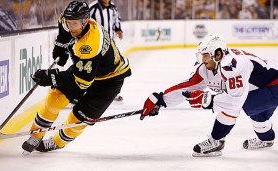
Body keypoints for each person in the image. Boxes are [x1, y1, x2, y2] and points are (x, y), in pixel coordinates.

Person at [22, 0, 131, 155]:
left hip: (110, 79)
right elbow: (63, 31)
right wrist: (60, 47)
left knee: (79, 117)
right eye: (69, 23)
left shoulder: (90, 44)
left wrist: (52, 76)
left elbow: (83, 81)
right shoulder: (68, 20)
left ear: (85, 21)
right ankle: (36, 135)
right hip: (87, 66)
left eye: (74, 24)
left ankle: (56, 142)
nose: (70, 27)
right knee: (55, 99)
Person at [141, 34, 278, 157]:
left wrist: (208, 100)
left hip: (274, 85)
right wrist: (161, 99)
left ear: (218, 54)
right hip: (263, 85)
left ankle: (216, 141)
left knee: (241, 105)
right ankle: (266, 139)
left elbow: (234, 103)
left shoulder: (234, 66)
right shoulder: (207, 66)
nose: (203, 59)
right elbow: (189, 85)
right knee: (258, 115)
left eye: (205, 55)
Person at [89, 0, 124, 102]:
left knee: (113, 67)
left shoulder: (113, 7)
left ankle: (112, 93)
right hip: (96, 44)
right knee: (92, 68)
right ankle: (83, 93)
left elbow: (116, 18)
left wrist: (118, 29)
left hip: (110, 44)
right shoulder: (93, 8)